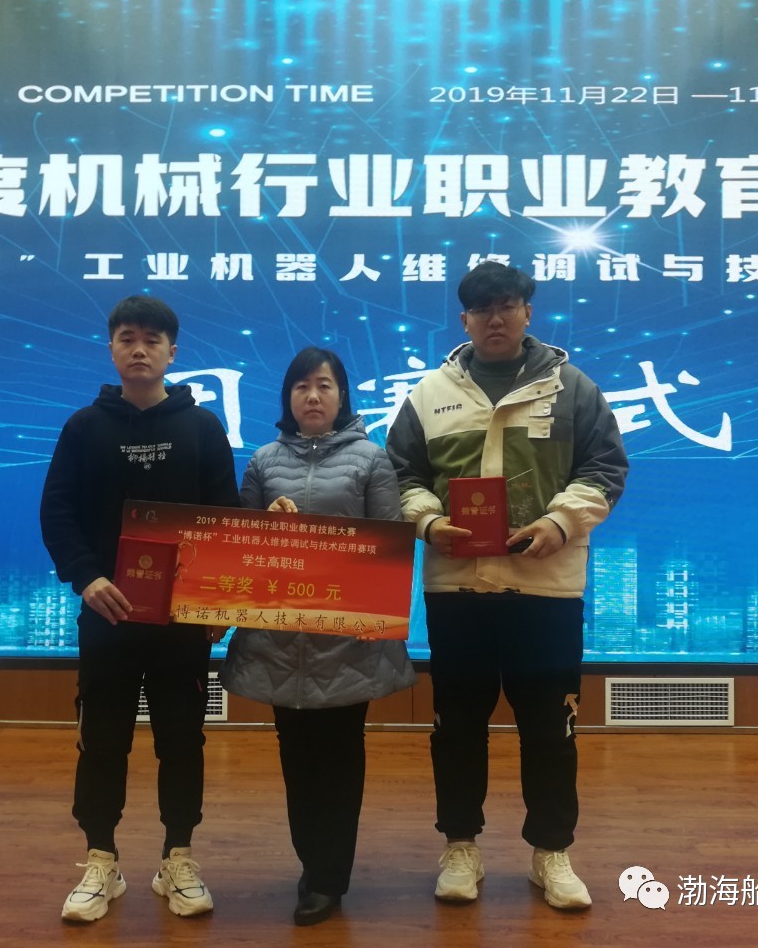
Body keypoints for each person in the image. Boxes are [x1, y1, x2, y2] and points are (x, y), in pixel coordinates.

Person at [385, 260, 628, 910]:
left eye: (508, 305)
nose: (496, 318)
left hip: (545, 590)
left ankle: (552, 852)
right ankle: (460, 845)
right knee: (456, 725)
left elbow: (605, 467)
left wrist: (560, 521)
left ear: (527, 312)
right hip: (457, 590)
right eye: (482, 308)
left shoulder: (573, 388)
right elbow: (401, 474)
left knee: (550, 727)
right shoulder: (428, 393)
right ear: (464, 319)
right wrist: (428, 521)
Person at [39, 294, 240, 923]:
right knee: (102, 742)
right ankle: (101, 860)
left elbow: (225, 518)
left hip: (182, 625)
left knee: (182, 742)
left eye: (153, 340)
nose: (140, 349)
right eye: (127, 338)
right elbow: (57, 512)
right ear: (111, 348)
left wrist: (216, 602)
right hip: (109, 617)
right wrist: (87, 578)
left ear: (172, 352)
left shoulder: (203, 428)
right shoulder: (83, 427)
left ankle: (178, 858)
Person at [219, 346, 417, 926]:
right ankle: (312, 864)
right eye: (302, 386)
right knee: (296, 760)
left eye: (324, 385)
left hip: (347, 642)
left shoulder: (372, 460)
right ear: (288, 397)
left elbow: (389, 547)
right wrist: (269, 530)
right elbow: (244, 549)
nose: (313, 396)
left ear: (342, 396)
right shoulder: (262, 462)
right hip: (280, 643)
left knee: (340, 758)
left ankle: (330, 876)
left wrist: (330, 541)